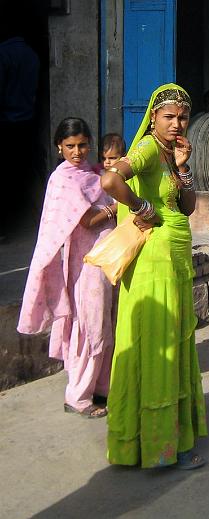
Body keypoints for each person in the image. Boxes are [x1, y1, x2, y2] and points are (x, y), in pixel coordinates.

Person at [101, 84, 207, 469]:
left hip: (173, 260)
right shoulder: (147, 147)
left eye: (182, 117)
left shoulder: (169, 153)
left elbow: (188, 206)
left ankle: (156, 440)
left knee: (169, 344)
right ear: (153, 117)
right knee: (158, 347)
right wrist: (141, 206)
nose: (177, 123)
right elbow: (110, 181)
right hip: (153, 262)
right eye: (169, 117)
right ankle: (162, 448)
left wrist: (182, 168)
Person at [18, 118, 117, 418]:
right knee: (91, 326)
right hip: (86, 263)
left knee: (104, 324)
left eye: (83, 145)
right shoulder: (63, 180)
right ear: (59, 147)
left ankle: (101, 388)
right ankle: (78, 396)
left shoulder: (92, 172)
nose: (77, 151)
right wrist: (116, 208)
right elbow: (86, 220)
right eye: (71, 146)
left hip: (105, 258)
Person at [0, 29, 39, 239]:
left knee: (5, 176)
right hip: (26, 121)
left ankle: (5, 227)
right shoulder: (31, 54)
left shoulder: (4, 53)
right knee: (19, 173)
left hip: (6, 123)